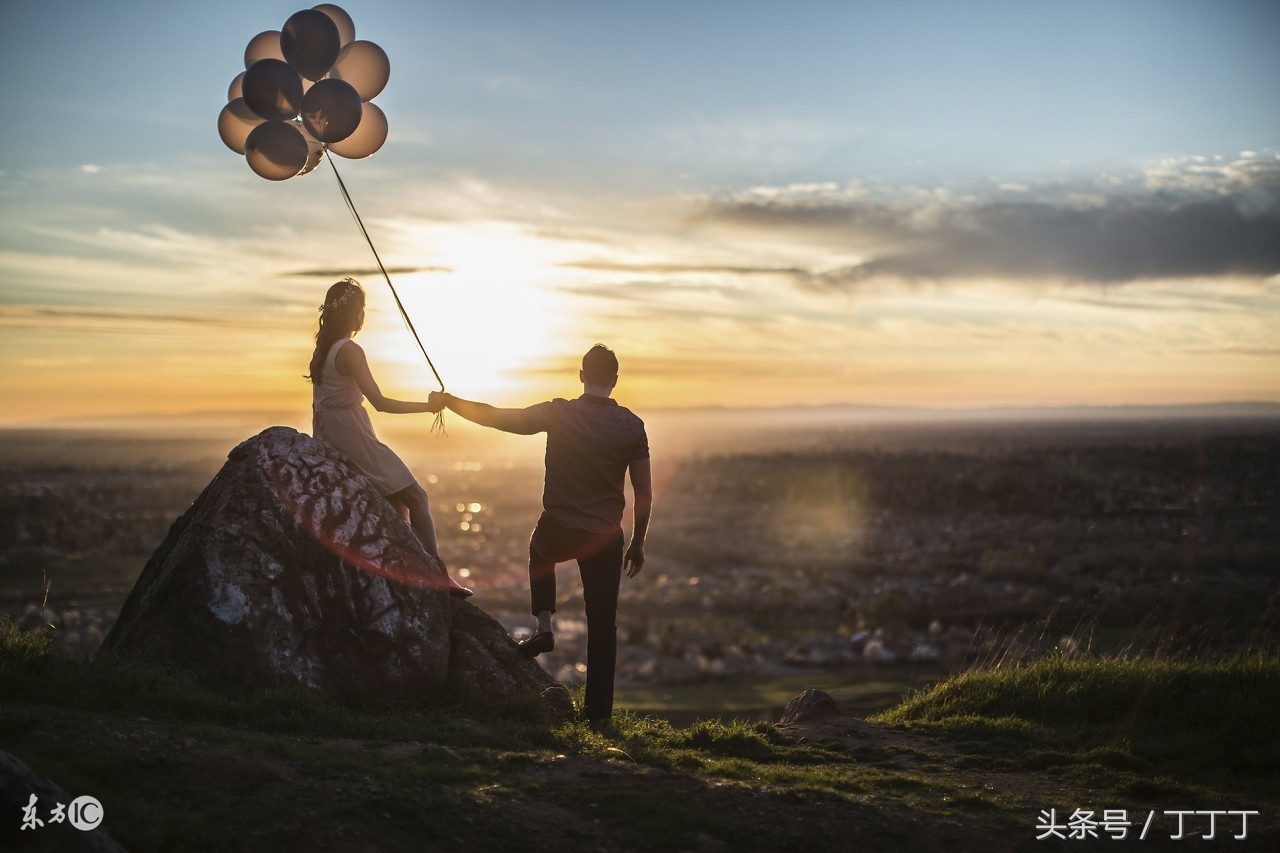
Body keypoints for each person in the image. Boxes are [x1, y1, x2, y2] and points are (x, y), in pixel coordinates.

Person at [431, 344, 652, 723]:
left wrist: (451, 402)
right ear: (615, 381)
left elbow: (502, 418)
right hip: (605, 537)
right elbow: (643, 493)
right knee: (602, 624)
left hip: (561, 526)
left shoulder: (560, 413)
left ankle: (544, 625)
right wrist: (637, 543)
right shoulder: (632, 426)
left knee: (540, 548)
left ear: (582, 376)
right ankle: (598, 716)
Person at [307, 278, 472, 597]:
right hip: (355, 437)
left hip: (333, 434)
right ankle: (438, 577)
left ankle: (411, 572)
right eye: (362, 308)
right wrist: (428, 407)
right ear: (355, 314)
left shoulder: (324, 349)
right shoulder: (350, 350)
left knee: (398, 505)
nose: (364, 315)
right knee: (417, 497)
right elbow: (381, 403)